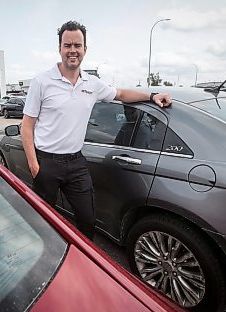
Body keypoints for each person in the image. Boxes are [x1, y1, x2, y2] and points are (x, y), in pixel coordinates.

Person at [21, 20, 171, 240]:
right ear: (59, 48)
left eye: (77, 45)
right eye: (67, 45)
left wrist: (152, 96)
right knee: (44, 220)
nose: (72, 50)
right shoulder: (41, 82)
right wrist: (35, 166)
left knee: (87, 220)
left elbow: (120, 94)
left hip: (76, 163)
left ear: (84, 49)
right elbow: (27, 126)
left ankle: (84, 263)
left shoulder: (92, 83)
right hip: (47, 163)